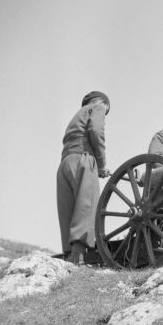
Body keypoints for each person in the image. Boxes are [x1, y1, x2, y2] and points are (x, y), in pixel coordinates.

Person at [57, 91, 110, 264]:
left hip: (65, 162)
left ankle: (68, 254)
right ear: (103, 102)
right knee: (86, 204)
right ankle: (78, 256)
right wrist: (102, 165)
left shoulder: (77, 115)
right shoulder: (99, 106)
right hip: (83, 159)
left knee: (68, 210)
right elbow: (95, 130)